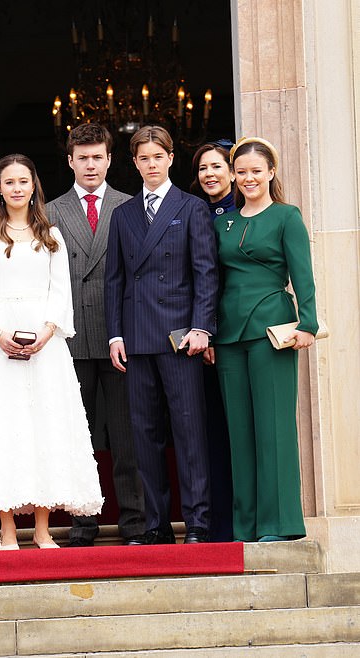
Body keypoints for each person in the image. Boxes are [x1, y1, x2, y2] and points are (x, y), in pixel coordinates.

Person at [0, 153, 103, 550]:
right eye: (9, 182)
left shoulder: (51, 234)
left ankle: (41, 528)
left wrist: (48, 331)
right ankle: (6, 531)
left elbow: (61, 291)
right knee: (2, 430)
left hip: (45, 346)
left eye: (24, 181)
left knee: (44, 429)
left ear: (33, 185)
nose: (17, 188)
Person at [104, 126, 219, 545]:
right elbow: (114, 280)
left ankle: (198, 522)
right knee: (144, 435)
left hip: (180, 338)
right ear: (133, 163)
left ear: (171, 158)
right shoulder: (124, 214)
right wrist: (115, 335)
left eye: (158, 156)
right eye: (143, 158)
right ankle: (156, 524)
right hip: (135, 340)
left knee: (189, 433)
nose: (151, 164)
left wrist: (202, 328)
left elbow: (205, 273)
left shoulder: (191, 208)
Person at [210, 136, 318, 542]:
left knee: (273, 429)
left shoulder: (287, 216)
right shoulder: (223, 222)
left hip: (272, 331)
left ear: (271, 172)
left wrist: (307, 323)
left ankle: (279, 523)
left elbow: (302, 274)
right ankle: (247, 525)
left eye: (257, 171)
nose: (248, 178)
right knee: (240, 433)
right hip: (229, 334)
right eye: (241, 172)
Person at [46, 123, 146, 547]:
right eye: (82, 157)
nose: (90, 165)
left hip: (119, 337)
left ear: (109, 159)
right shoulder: (49, 213)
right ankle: (82, 524)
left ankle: (136, 524)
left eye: (97, 157)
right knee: (75, 438)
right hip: (68, 341)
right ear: (70, 161)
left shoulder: (132, 206)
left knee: (127, 437)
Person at [190, 141, 236, 542]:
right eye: (203, 168)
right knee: (210, 435)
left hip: (236, 334)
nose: (209, 174)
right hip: (201, 342)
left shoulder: (244, 213)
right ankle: (215, 525)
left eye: (217, 166)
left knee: (236, 431)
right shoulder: (193, 211)